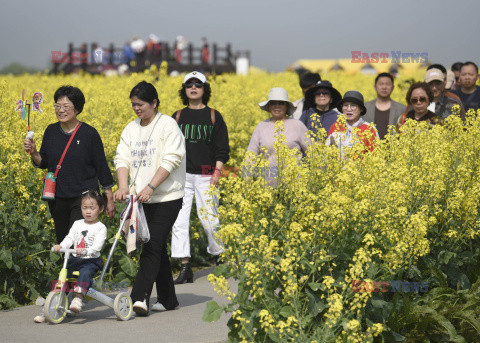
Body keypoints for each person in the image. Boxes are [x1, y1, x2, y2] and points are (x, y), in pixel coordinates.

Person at [114, 81, 186, 315]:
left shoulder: (168, 125)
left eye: (141, 104)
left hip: (167, 197)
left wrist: (152, 186)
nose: (136, 109)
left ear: (154, 103)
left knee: (152, 244)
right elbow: (122, 159)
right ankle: (168, 299)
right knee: (157, 247)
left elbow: (171, 159)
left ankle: (139, 297)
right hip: (140, 200)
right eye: (133, 104)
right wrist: (123, 186)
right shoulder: (130, 128)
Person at [23, 86, 115, 243]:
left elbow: (101, 166)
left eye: (66, 106)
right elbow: (44, 162)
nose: (60, 110)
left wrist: (109, 198)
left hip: (84, 198)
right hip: (57, 197)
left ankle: (81, 268)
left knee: (79, 243)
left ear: (77, 109)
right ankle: (67, 268)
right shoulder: (51, 131)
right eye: (57, 106)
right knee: (63, 241)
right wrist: (34, 153)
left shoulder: (89, 134)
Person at [170, 71, 230, 284]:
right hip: (181, 177)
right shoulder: (177, 116)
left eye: (198, 84)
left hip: (206, 175)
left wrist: (217, 171)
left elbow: (222, 147)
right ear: (184, 90)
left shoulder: (214, 115)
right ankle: (185, 266)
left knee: (210, 220)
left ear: (205, 90)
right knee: (179, 221)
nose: (193, 88)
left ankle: (219, 256)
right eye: (189, 85)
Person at [54, 191, 107, 313]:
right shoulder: (77, 224)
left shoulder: (100, 227)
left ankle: (78, 298)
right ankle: (56, 301)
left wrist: (86, 250)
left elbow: (97, 246)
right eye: (85, 208)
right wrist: (61, 246)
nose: (88, 211)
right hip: (74, 259)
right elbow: (70, 238)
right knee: (64, 276)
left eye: (92, 208)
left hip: (91, 260)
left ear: (100, 209)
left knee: (85, 273)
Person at [247, 87, 308, 182]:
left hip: (294, 185)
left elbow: (312, 152)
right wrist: (247, 177)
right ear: (269, 106)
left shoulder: (298, 125)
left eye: (281, 103)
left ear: (287, 106)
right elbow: (251, 154)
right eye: (273, 103)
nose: (277, 106)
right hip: (267, 186)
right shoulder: (261, 126)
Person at [327, 91, 378, 155]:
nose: (348, 109)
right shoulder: (335, 126)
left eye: (353, 105)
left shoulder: (369, 128)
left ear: (361, 109)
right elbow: (328, 153)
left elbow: (374, 156)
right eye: (345, 105)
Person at [364, 73, 406, 139]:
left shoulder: (402, 109)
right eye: (381, 84)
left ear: (393, 87)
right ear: (375, 87)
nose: (384, 87)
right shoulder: (364, 108)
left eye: (387, 84)